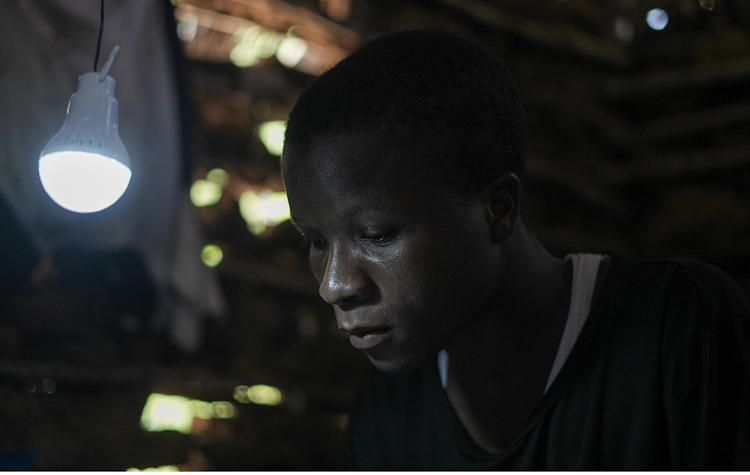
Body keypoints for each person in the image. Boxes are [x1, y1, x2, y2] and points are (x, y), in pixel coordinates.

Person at [280, 29, 750, 469]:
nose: (335, 285)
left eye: (377, 234)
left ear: (498, 210)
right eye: (317, 242)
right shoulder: (387, 415)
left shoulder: (679, 332)